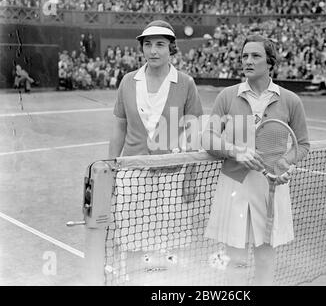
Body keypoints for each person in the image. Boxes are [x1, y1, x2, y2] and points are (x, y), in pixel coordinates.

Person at [202, 34, 310, 286]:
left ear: (270, 63)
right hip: (234, 186)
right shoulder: (227, 96)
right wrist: (234, 150)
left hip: (271, 186)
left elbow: (302, 144)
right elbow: (207, 137)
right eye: (244, 56)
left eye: (255, 56)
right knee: (235, 257)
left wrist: (283, 165)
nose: (247, 61)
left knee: (265, 253)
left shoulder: (291, 100)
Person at [109, 20, 203, 158]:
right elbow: (119, 128)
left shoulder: (186, 83)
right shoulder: (127, 81)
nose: (153, 51)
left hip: (171, 173)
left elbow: (193, 134)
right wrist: (110, 167)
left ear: (171, 48)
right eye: (148, 44)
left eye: (160, 44)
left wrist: (190, 176)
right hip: (131, 171)